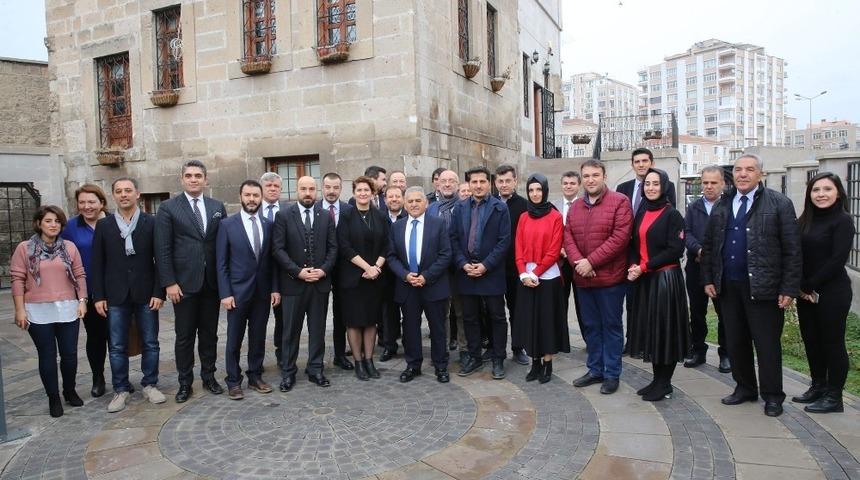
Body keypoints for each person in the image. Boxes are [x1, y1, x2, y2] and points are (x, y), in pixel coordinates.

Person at [701, 154, 801, 417]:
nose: (743, 174)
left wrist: (789, 288)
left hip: (764, 288)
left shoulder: (779, 204)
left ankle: (773, 396)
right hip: (729, 287)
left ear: (761, 174)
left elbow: (792, 249)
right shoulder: (723, 204)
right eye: (738, 170)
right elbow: (710, 246)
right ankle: (745, 387)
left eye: (749, 169)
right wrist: (708, 278)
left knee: (767, 345)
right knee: (736, 342)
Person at [90, 178, 166, 413]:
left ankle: (150, 384)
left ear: (137, 194)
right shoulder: (104, 226)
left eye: (128, 190)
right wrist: (98, 296)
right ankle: (121, 389)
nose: (123, 195)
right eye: (118, 191)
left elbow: (160, 259)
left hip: (146, 293)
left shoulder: (151, 222)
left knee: (151, 342)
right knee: (116, 345)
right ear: (113, 196)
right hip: (115, 294)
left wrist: (159, 291)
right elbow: (97, 263)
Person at [155, 159, 227, 403]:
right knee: (184, 336)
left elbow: (221, 245)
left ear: (206, 180)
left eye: (198, 176)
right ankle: (185, 383)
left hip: (211, 283)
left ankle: (209, 377)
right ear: (182, 179)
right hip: (183, 285)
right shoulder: (168, 208)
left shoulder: (217, 206)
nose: (193, 179)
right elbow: (162, 248)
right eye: (189, 176)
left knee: (209, 335)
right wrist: (169, 282)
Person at [11, 206, 87, 417]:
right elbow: (17, 279)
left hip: (68, 308)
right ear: (39, 224)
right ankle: (53, 398)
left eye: (57, 221)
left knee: (69, 354)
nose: (53, 225)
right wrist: (20, 310)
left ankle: (69, 390)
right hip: (37, 310)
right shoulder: (24, 248)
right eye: (48, 221)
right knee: (47, 355)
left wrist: (82, 301)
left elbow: (80, 275)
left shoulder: (69, 247)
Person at [564, 159, 632, 394]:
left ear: (604, 176)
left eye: (595, 175)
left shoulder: (620, 202)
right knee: (591, 327)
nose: (590, 180)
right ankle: (595, 369)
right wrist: (579, 263)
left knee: (611, 326)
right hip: (584, 279)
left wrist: (591, 262)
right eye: (586, 176)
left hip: (610, 280)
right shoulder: (575, 207)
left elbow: (620, 238)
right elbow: (568, 237)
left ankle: (611, 374)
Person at [793, 172, 855, 414]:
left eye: (827, 189)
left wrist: (809, 285)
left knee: (832, 343)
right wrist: (800, 285)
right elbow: (795, 253)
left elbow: (837, 260)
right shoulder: (804, 220)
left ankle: (834, 397)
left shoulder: (843, 221)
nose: (821, 194)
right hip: (805, 293)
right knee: (812, 341)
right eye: (816, 189)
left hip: (832, 293)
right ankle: (818, 385)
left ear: (838, 193)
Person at [626, 169, 690, 402]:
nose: (651, 188)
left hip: (665, 280)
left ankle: (665, 383)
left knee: (665, 332)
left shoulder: (673, 215)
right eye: (647, 184)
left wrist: (644, 266)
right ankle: (657, 380)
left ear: (664, 187)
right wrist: (634, 265)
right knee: (652, 332)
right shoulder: (642, 211)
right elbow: (634, 244)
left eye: (655, 184)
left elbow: (675, 250)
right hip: (646, 279)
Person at [272, 176, 338, 391]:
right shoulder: (283, 216)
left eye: (311, 189)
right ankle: (288, 372)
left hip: (319, 284)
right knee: (290, 331)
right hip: (293, 285)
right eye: (303, 189)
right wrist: (298, 272)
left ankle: (315, 369)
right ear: (296, 190)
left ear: (316, 191)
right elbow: (278, 249)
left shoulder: (325, 216)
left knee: (317, 330)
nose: (308, 193)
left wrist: (324, 270)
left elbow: (333, 248)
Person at [216, 180, 280, 400]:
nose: (252, 199)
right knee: (234, 338)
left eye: (255, 195)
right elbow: (221, 263)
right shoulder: (227, 225)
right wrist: (225, 293)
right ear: (240, 197)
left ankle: (255, 375)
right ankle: (233, 381)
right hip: (236, 293)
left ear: (261, 198)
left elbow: (271, 261)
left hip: (262, 292)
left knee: (258, 336)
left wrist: (274, 289)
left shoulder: (268, 225)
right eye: (248, 195)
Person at [450, 166, 511, 379]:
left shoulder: (500, 208)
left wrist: (486, 265)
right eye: (474, 182)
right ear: (468, 184)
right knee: (470, 317)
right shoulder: (459, 208)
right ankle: (474, 356)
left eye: (482, 181)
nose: (478, 186)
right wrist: (462, 263)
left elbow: (504, 241)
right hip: (466, 272)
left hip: (491, 272)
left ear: (489, 183)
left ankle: (498, 358)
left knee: (497, 316)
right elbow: (453, 238)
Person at [387, 187, 453, 383]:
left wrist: (426, 276)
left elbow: (445, 254)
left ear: (426, 203)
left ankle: (441, 366)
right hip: (407, 287)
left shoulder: (438, 224)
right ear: (405, 204)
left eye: (418, 200)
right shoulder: (397, 227)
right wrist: (405, 275)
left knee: (437, 328)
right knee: (410, 329)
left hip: (433, 285)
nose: (414, 204)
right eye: (410, 201)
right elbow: (391, 256)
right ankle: (413, 365)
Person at [616, 148, 677, 356]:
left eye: (645, 161)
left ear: (652, 163)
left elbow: (668, 222)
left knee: (655, 307)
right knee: (632, 301)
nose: (641, 164)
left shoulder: (667, 190)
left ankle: (650, 344)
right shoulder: (623, 188)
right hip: (630, 254)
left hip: (655, 257)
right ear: (632, 164)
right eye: (637, 161)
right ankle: (633, 340)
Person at [514, 174, 570, 384]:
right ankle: (535, 362)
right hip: (526, 277)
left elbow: (554, 251)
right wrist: (523, 273)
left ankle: (547, 363)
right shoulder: (523, 217)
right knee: (530, 321)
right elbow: (518, 246)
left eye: (538, 190)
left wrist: (534, 273)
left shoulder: (555, 216)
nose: (535, 194)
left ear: (545, 191)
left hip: (547, 277)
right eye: (531, 190)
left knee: (546, 322)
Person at [336, 176, 391, 380]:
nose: (362, 193)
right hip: (352, 279)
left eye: (366, 190)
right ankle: (358, 362)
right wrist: (367, 267)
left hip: (375, 278)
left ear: (373, 193)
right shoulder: (346, 216)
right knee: (354, 322)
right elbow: (344, 246)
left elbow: (387, 244)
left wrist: (376, 267)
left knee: (371, 321)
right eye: (359, 190)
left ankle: (369, 360)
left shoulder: (380, 216)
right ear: (354, 193)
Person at [61, 184, 109, 398]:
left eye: (91, 202)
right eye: (82, 202)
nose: (87, 206)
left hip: (116, 289)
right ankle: (98, 377)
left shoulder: (114, 221)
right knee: (96, 337)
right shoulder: (70, 228)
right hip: (88, 292)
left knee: (118, 337)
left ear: (102, 203)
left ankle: (121, 377)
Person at [683, 166, 730, 372]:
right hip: (696, 266)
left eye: (713, 183)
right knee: (697, 312)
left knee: (724, 313)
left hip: (722, 269)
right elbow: (687, 233)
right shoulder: (694, 207)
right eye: (705, 183)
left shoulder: (729, 206)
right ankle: (698, 351)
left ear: (723, 184)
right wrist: (699, 250)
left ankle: (726, 354)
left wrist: (713, 254)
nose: (709, 186)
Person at [318, 172, 354, 371]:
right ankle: (316, 357)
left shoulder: (349, 210)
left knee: (341, 314)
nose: (331, 191)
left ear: (341, 189)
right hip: (320, 270)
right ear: (322, 187)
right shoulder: (314, 208)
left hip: (344, 270)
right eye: (328, 187)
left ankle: (340, 355)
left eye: (335, 187)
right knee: (318, 314)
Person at [495, 165, 530, 366]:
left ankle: (518, 347)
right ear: (495, 183)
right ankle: (494, 347)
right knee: (494, 311)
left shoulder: (524, 205)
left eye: (508, 180)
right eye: (500, 181)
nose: (504, 185)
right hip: (493, 268)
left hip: (516, 269)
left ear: (515, 181)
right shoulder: (490, 203)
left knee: (517, 310)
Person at [428, 170, 464, 356]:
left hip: (460, 269)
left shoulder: (465, 206)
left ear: (457, 184)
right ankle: (441, 352)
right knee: (441, 314)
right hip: (438, 270)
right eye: (444, 181)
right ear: (438, 184)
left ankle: (465, 351)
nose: (447, 184)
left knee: (462, 313)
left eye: (451, 181)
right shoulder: (431, 209)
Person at [260, 172, 291, 368]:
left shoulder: (289, 211)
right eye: (269, 186)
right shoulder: (252, 209)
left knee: (283, 319)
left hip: (283, 273)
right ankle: (257, 359)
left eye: (276, 186)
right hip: (259, 275)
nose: (272, 189)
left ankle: (283, 355)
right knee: (258, 320)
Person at [552, 171, 583, 334]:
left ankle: (588, 338)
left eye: (572, 183)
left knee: (582, 304)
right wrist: (559, 249)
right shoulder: (552, 206)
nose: (568, 186)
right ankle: (560, 338)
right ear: (561, 185)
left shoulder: (585, 205)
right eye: (565, 183)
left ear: (579, 185)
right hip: (560, 262)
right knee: (559, 303)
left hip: (580, 262)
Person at [380, 186, 407, 361]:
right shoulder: (379, 218)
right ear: (385, 200)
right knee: (388, 313)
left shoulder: (410, 216)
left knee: (409, 312)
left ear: (402, 198)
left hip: (406, 272)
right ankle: (389, 346)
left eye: (397, 196)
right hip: (386, 273)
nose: (394, 199)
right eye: (390, 196)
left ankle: (409, 343)